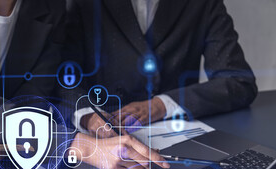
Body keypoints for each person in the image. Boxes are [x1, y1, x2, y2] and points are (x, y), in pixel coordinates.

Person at [0, 0, 169, 169]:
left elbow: (36, 90)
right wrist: (79, 145)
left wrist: (2, 144)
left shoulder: (51, 6)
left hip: (8, 147)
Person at [66, 0, 258, 136]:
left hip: (178, 135)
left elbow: (238, 81)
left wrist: (162, 105)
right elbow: (63, 79)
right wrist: (88, 116)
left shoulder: (203, 3)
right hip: (101, 138)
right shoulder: (83, 3)